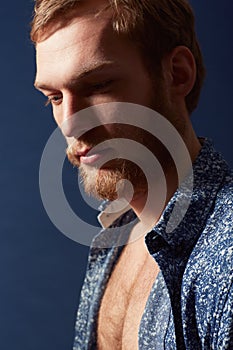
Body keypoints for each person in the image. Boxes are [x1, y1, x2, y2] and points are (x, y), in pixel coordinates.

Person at [31, 0, 233, 349]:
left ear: (177, 74)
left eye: (98, 86)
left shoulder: (226, 260)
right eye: (54, 97)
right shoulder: (116, 239)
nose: (69, 125)